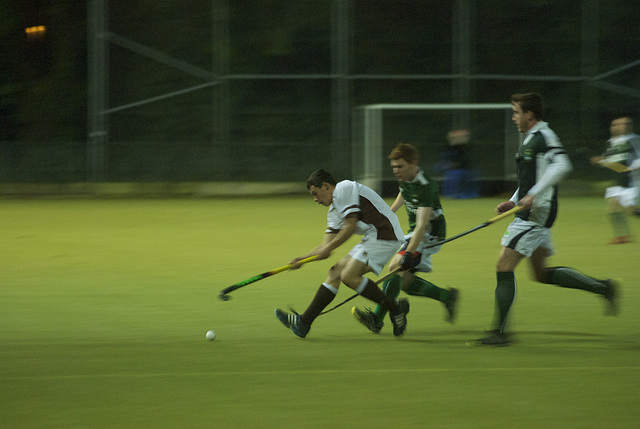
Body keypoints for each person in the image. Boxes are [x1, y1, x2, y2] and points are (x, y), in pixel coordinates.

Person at [478, 92, 619, 347]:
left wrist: (533, 194)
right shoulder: (531, 139)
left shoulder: (545, 136)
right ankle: (604, 288)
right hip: (532, 212)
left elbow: (563, 165)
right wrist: (513, 199)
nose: (513, 118)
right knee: (540, 273)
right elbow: (529, 180)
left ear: (529, 115)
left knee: (503, 266)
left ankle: (500, 333)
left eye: (516, 112)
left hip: (535, 215)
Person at [274, 169, 410, 338]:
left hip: (386, 234)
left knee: (349, 276)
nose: (315, 199)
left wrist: (327, 249)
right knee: (335, 273)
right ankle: (304, 322)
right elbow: (325, 245)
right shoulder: (333, 211)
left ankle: (395, 308)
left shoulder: (343, 188)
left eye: (315, 194)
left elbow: (350, 226)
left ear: (325, 186)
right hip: (372, 237)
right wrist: (302, 259)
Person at [351, 143, 459, 334]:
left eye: (399, 166)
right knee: (406, 282)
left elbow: (422, 225)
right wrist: (387, 216)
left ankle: (377, 318)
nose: (395, 171)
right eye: (393, 167)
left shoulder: (426, 186)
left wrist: (409, 252)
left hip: (430, 234)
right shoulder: (405, 178)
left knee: (395, 267)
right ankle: (446, 296)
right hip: (415, 230)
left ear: (413, 163)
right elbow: (404, 193)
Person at [590, 117, 640, 243]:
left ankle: (623, 236)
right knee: (613, 207)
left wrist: (632, 168)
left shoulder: (633, 140)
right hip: (618, 181)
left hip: (631, 181)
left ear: (628, 127)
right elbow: (610, 160)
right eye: (614, 125)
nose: (616, 127)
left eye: (620, 125)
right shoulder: (611, 143)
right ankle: (622, 236)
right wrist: (600, 160)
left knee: (631, 210)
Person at [437, 129, 479, 199]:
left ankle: (466, 194)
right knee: (453, 176)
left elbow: (462, 161)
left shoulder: (465, 148)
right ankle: (451, 194)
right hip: (454, 170)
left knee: (461, 176)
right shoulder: (448, 148)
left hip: (464, 169)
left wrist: (453, 165)